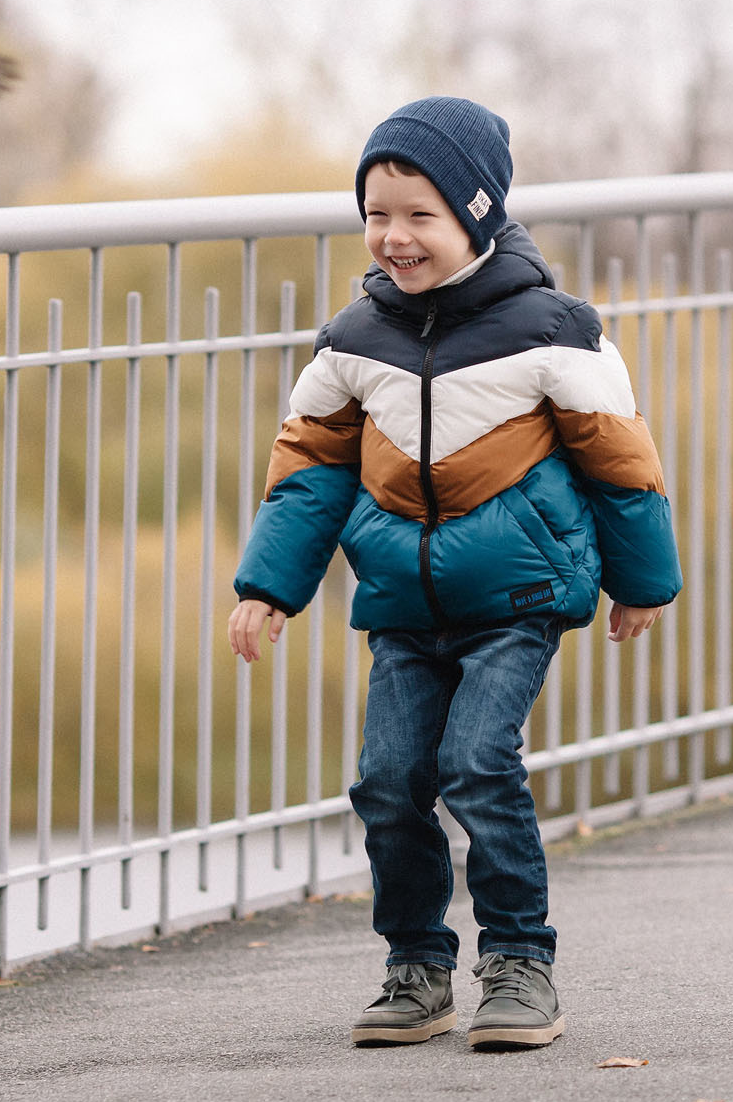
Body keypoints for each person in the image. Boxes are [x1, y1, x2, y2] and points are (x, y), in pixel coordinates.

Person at [227, 96, 681, 1051]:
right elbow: (307, 476)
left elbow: (623, 465)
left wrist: (642, 581)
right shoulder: (352, 341)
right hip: (401, 603)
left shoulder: (555, 329)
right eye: (376, 214)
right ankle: (417, 967)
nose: (393, 237)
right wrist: (268, 588)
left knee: (476, 763)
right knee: (388, 783)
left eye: (419, 215)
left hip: (515, 596)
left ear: (476, 213)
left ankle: (520, 962)